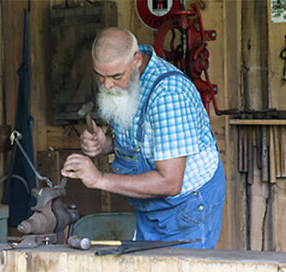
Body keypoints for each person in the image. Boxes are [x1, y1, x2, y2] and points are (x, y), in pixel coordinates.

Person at [61, 27, 225, 249]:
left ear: (136, 60)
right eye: (100, 76)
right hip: (149, 205)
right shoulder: (124, 82)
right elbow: (137, 140)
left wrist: (99, 179)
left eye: (115, 76)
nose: (107, 85)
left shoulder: (169, 94)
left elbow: (170, 182)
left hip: (186, 205)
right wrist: (105, 144)